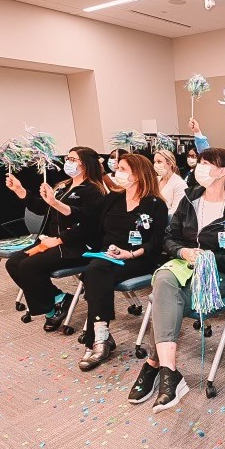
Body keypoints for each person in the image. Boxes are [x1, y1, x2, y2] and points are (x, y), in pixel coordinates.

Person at [128, 148, 225, 412]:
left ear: (222, 171)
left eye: (206, 163)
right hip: (183, 264)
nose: (199, 167)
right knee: (163, 278)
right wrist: (182, 251)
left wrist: (210, 258)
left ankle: (154, 366)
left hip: (219, 274)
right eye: (200, 162)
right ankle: (169, 372)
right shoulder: (190, 198)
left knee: (164, 301)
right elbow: (168, 237)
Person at [73, 154, 168, 372]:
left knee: (94, 272)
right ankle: (100, 336)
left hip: (140, 258)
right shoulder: (113, 199)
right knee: (95, 269)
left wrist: (130, 254)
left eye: (123, 169)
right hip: (108, 256)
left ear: (137, 174)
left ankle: (98, 338)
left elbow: (157, 242)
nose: (118, 173)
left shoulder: (155, 205)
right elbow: (94, 226)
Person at [4, 147, 106, 331]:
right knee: (13, 263)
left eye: (73, 159)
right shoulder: (63, 186)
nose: (68, 162)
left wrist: (58, 237)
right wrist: (19, 190)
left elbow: (86, 222)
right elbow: (42, 209)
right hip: (50, 240)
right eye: (68, 158)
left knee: (29, 266)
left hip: (76, 245)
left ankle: (51, 310)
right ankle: (58, 299)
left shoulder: (94, 191)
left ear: (86, 164)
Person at [153, 149, 188, 215]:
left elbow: (176, 210)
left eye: (159, 162)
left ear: (170, 164)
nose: (156, 165)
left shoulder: (179, 184)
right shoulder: (155, 180)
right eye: (154, 162)